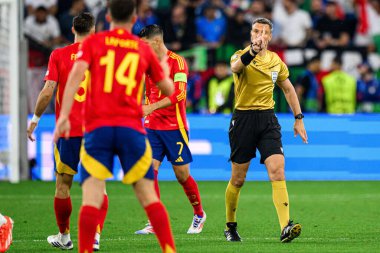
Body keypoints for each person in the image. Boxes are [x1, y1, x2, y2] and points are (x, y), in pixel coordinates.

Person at [53, 0, 176, 252]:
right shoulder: (141, 50)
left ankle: (86, 248)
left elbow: (75, 77)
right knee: (148, 197)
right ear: (134, 20)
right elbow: (168, 89)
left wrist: (64, 116)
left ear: (107, 16)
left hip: (98, 129)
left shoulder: (94, 44)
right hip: (131, 129)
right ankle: (169, 249)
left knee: (91, 197)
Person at [26, 12, 107, 251]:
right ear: (93, 30)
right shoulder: (102, 55)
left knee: (63, 185)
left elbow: (48, 91)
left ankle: (64, 236)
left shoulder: (58, 55)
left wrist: (35, 119)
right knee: (97, 185)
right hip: (96, 129)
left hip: (69, 129)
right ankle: (94, 237)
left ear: (72, 28)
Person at [224, 17, 308, 243]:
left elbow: (288, 89)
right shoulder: (240, 55)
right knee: (238, 179)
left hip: (267, 119)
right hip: (243, 119)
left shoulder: (275, 61)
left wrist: (298, 118)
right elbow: (235, 67)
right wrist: (252, 50)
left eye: (264, 32)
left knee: (278, 169)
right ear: (251, 34)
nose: (259, 34)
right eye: (256, 31)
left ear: (270, 36)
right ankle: (230, 225)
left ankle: (285, 227)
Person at [135, 24, 206, 235]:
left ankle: (199, 214)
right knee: (149, 172)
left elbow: (180, 95)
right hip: (152, 126)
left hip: (175, 126)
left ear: (156, 41)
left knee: (182, 175)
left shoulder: (177, 62)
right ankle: (154, 221)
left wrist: (151, 106)